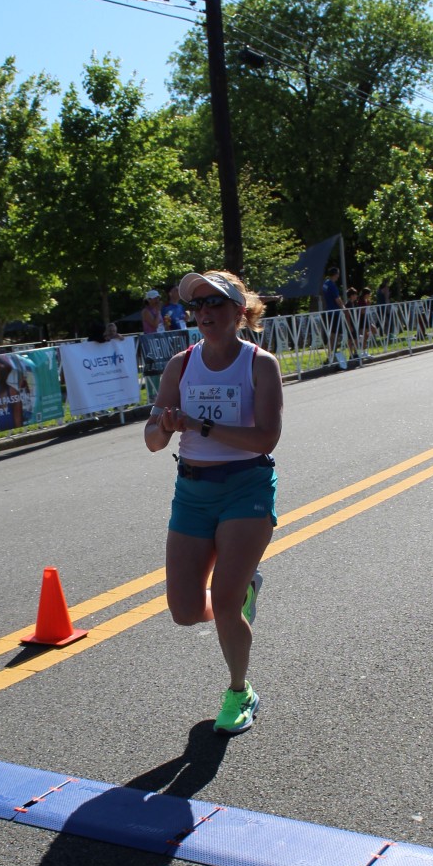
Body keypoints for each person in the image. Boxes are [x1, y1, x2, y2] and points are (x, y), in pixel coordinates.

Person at [145, 269, 283, 736]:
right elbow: (151, 440)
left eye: (214, 303)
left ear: (239, 311)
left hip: (246, 487)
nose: (204, 312)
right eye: (197, 305)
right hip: (192, 491)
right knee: (184, 611)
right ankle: (242, 593)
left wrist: (200, 425)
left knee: (223, 603)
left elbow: (265, 438)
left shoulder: (259, 364)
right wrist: (164, 426)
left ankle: (240, 691)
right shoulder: (180, 365)